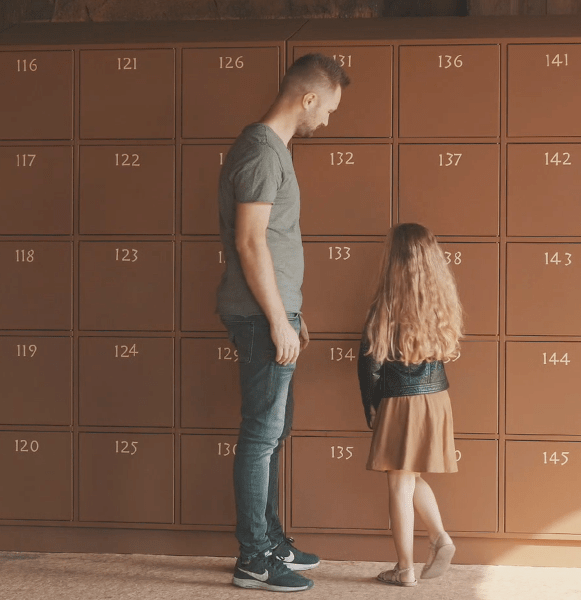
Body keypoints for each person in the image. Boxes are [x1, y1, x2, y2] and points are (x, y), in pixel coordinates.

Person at [217, 53, 349, 593]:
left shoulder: (270, 151)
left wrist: (292, 313)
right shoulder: (260, 151)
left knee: (274, 432)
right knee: (261, 433)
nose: (328, 121)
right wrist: (276, 318)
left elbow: (271, 244)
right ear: (308, 98)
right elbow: (250, 241)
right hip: (257, 316)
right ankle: (253, 559)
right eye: (330, 109)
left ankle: (270, 540)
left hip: (273, 312)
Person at [357, 223, 463, 587]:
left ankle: (404, 568)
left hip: (401, 401)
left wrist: (372, 407)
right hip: (436, 398)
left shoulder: (386, 305)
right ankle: (440, 538)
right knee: (409, 473)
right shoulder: (441, 300)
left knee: (399, 482)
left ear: (393, 258)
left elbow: (369, 362)